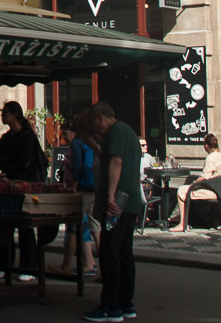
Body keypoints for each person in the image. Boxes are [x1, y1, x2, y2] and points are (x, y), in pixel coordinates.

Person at [84, 101, 142, 323]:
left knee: (110, 251)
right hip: (130, 201)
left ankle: (110, 306)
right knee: (124, 252)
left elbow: (116, 162)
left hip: (117, 202)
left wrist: (109, 195)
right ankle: (126, 302)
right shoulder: (128, 132)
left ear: (100, 117)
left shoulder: (116, 131)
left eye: (95, 124)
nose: (95, 129)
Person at [0, 100, 46, 281]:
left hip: (26, 186)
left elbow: (23, 161)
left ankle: (28, 266)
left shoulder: (28, 137)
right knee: (5, 223)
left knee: (25, 225)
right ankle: (4, 265)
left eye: (5, 112)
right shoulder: (7, 138)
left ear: (15, 115)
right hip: (10, 186)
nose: (2, 115)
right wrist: (11, 161)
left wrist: (8, 161)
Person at [48, 119, 96, 276]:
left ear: (75, 132)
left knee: (73, 226)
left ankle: (67, 265)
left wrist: (74, 187)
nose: (64, 137)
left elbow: (77, 167)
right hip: (92, 188)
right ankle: (93, 263)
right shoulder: (88, 141)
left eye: (66, 134)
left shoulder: (76, 143)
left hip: (80, 189)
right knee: (91, 228)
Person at [170, 133, 221, 232]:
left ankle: (182, 223)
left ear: (206, 145)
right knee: (187, 190)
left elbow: (204, 177)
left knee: (182, 190)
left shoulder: (211, 157)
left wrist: (193, 184)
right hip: (220, 190)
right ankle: (177, 217)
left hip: (213, 191)